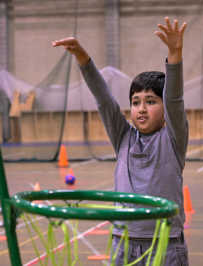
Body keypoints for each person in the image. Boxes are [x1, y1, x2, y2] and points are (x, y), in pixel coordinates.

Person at [53, 17, 189, 266]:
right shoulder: (123, 137)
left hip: (166, 244)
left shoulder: (172, 139)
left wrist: (174, 54)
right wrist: (83, 58)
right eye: (136, 102)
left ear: (164, 108)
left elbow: (175, 100)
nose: (141, 108)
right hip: (123, 242)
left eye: (150, 101)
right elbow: (104, 100)